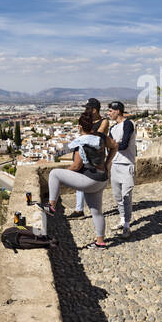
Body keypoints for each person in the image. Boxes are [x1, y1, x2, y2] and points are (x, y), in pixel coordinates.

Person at [44, 105, 115, 246]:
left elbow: (77, 166)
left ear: (79, 127)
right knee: (97, 211)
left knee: (55, 174)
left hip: (89, 179)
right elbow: (115, 146)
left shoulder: (81, 142)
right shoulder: (101, 137)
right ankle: (100, 241)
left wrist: (66, 174)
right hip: (102, 179)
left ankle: (51, 206)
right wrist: (107, 164)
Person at [105, 102, 141, 237]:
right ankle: (121, 219)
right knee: (117, 196)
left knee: (126, 196)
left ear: (118, 111)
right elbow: (110, 148)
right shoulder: (113, 128)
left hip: (126, 165)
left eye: (110, 111)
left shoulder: (128, 124)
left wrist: (113, 145)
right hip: (115, 165)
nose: (108, 113)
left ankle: (127, 225)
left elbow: (124, 144)